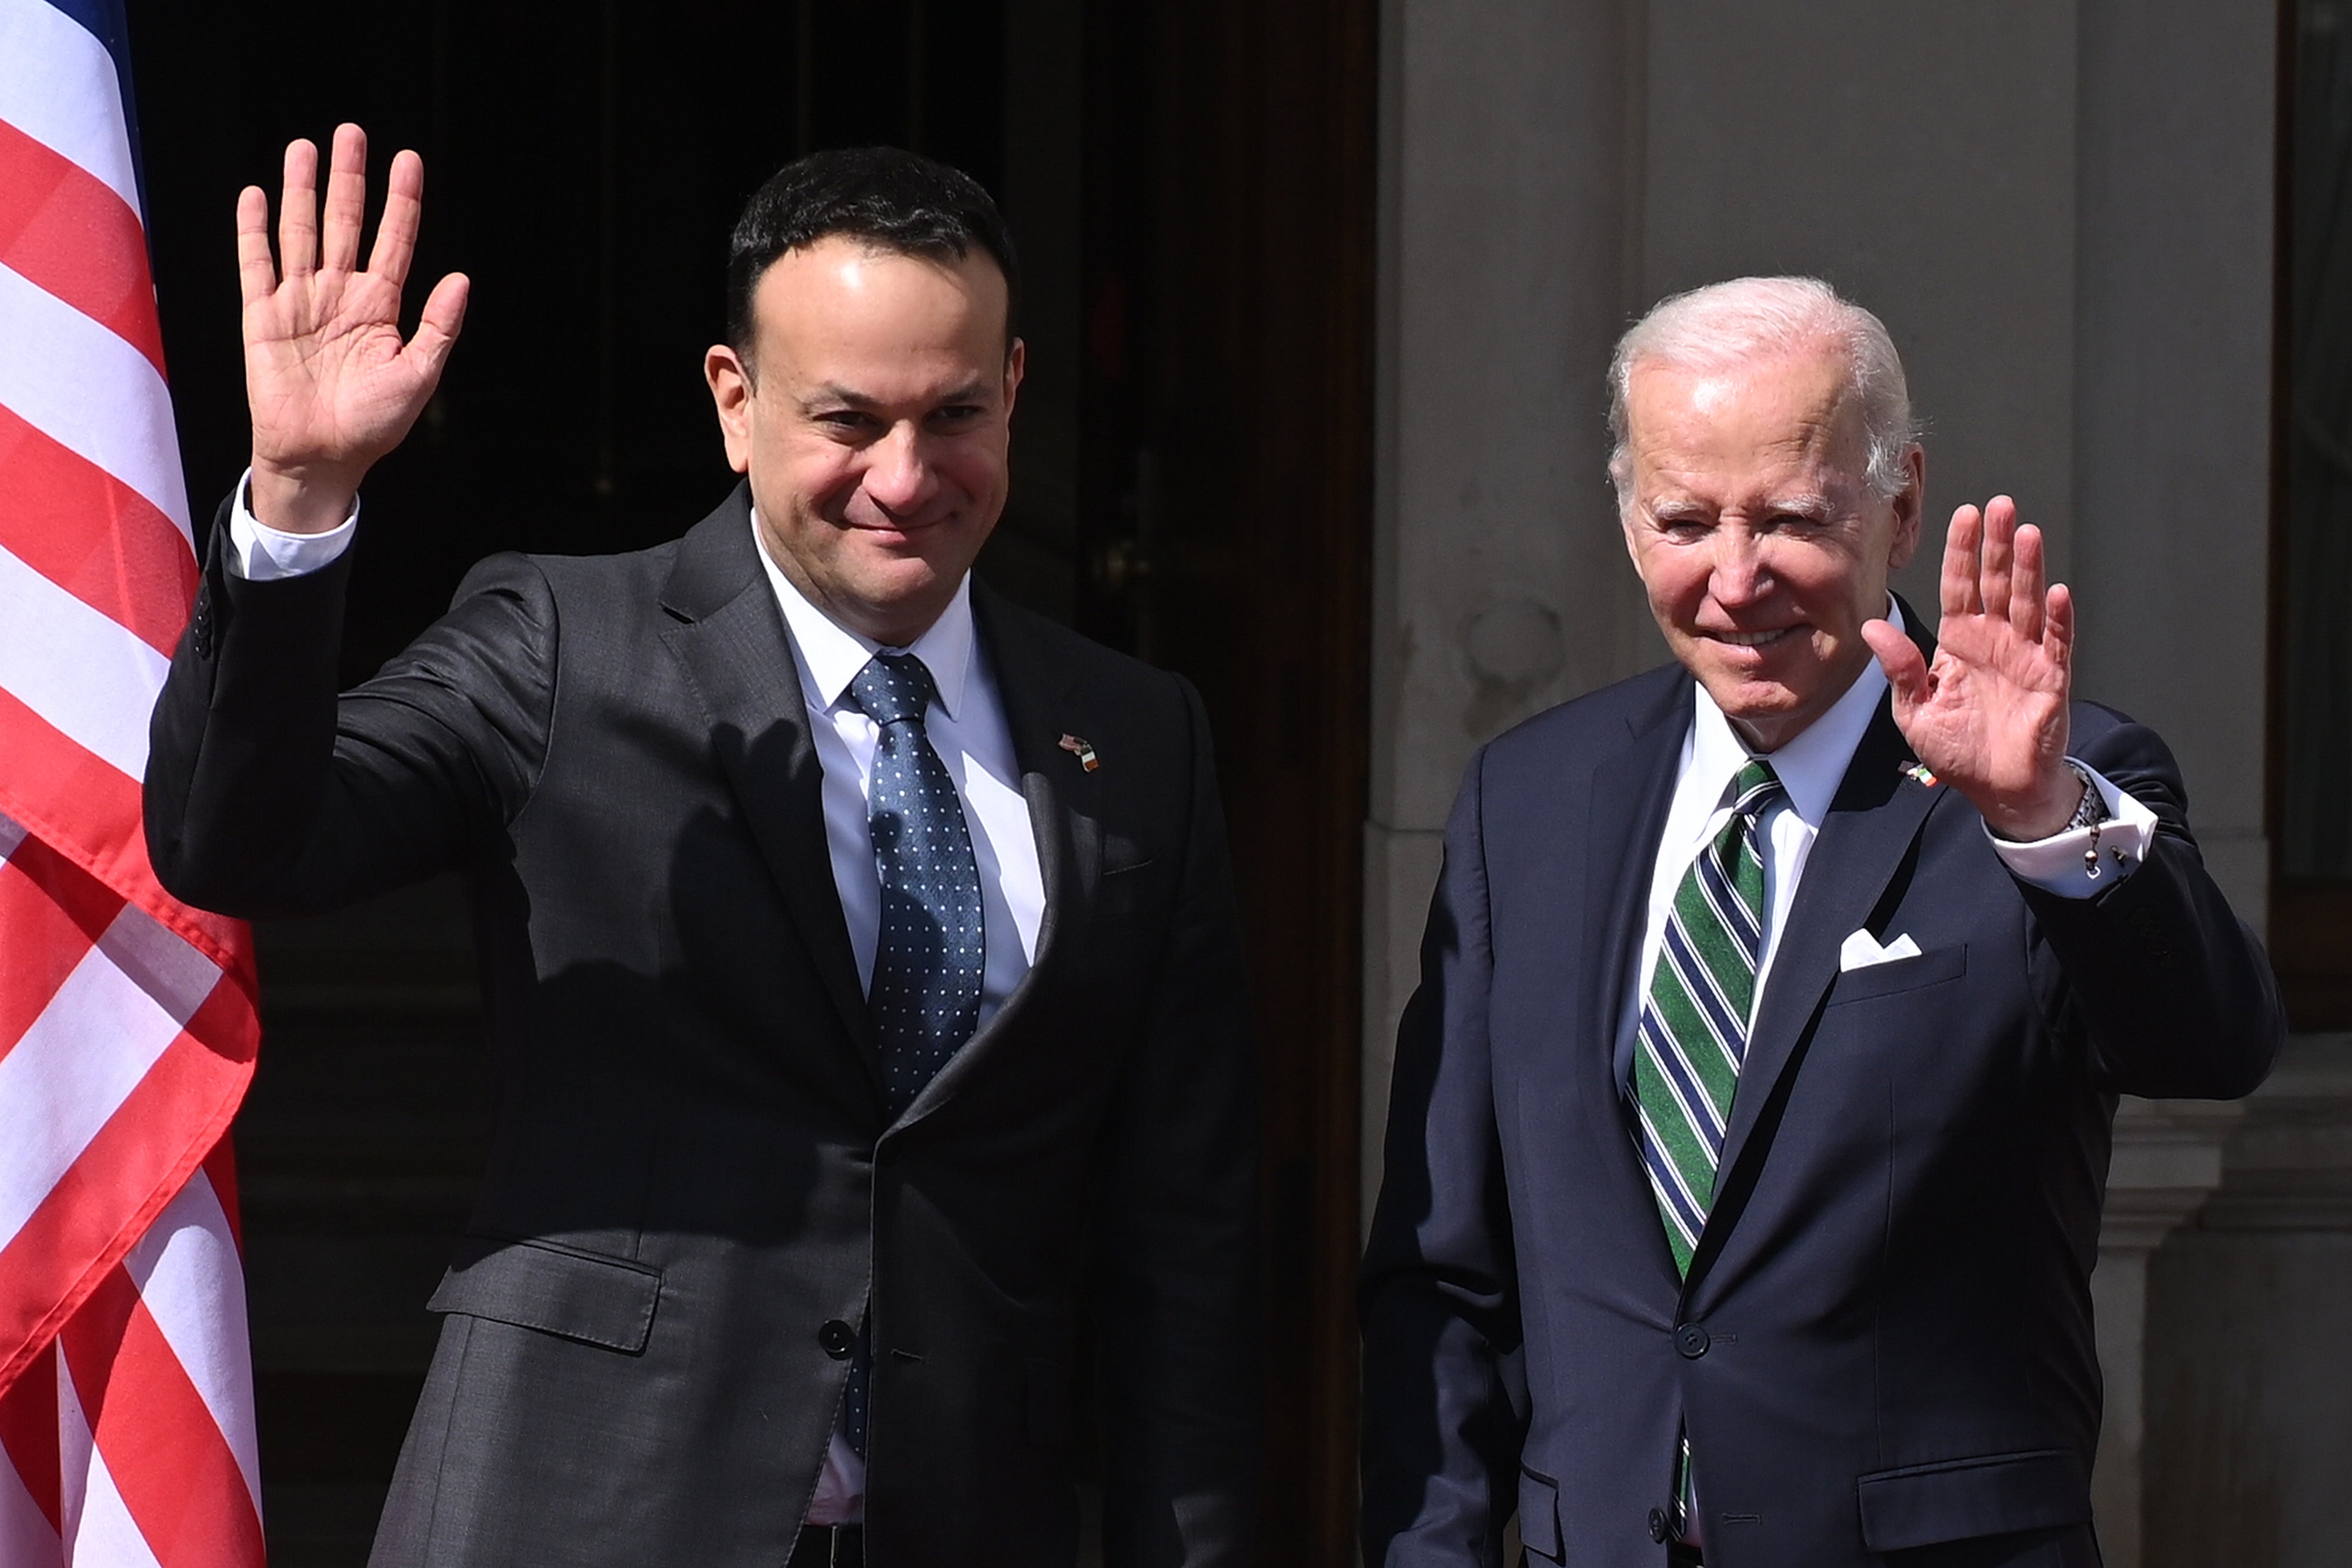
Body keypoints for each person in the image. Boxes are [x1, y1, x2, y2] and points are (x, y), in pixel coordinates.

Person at [145, 125, 1259, 1568]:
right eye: (848, 421)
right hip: (587, 1505)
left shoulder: (1136, 736)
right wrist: (297, 502)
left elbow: (1188, 1235)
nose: (906, 477)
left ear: (1017, 392)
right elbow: (240, 842)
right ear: (735, 404)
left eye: (957, 415)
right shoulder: (563, 645)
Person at [1358, 276, 2282, 1568]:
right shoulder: (1528, 800)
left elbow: (2212, 1041)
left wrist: (2035, 811)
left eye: (1790, 517)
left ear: (1900, 503)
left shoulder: (2046, 779)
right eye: (1683, 519)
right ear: (1628, 522)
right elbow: (1446, 1266)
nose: (1735, 579)